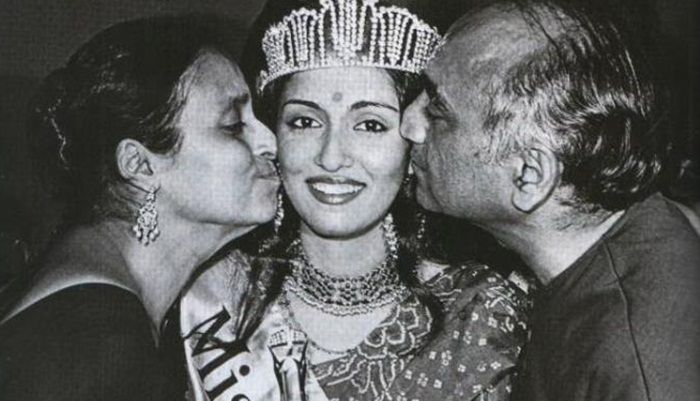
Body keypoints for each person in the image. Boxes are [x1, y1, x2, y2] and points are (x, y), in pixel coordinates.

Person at [179, 1, 529, 401]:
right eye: (305, 121)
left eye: (370, 125)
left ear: (413, 141)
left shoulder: (481, 312)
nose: (331, 156)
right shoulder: (209, 296)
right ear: (272, 136)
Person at [399, 1, 700, 400]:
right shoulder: (629, 241)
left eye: (437, 110)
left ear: (529, 176)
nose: (408, 124)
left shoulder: (636, 365)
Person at [0, 15, 279, 401]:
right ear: (140, 165)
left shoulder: (92, 300)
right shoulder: (102, 343)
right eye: (233, 125)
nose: (270, 142)